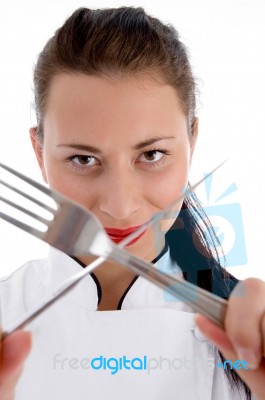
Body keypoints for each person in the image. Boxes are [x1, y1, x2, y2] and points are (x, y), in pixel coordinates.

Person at [0, 6, 264, 400]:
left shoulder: (249, 336)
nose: (121, 206)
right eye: (83, 159)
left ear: (192, 141)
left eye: (152, 155)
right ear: (39, 154)